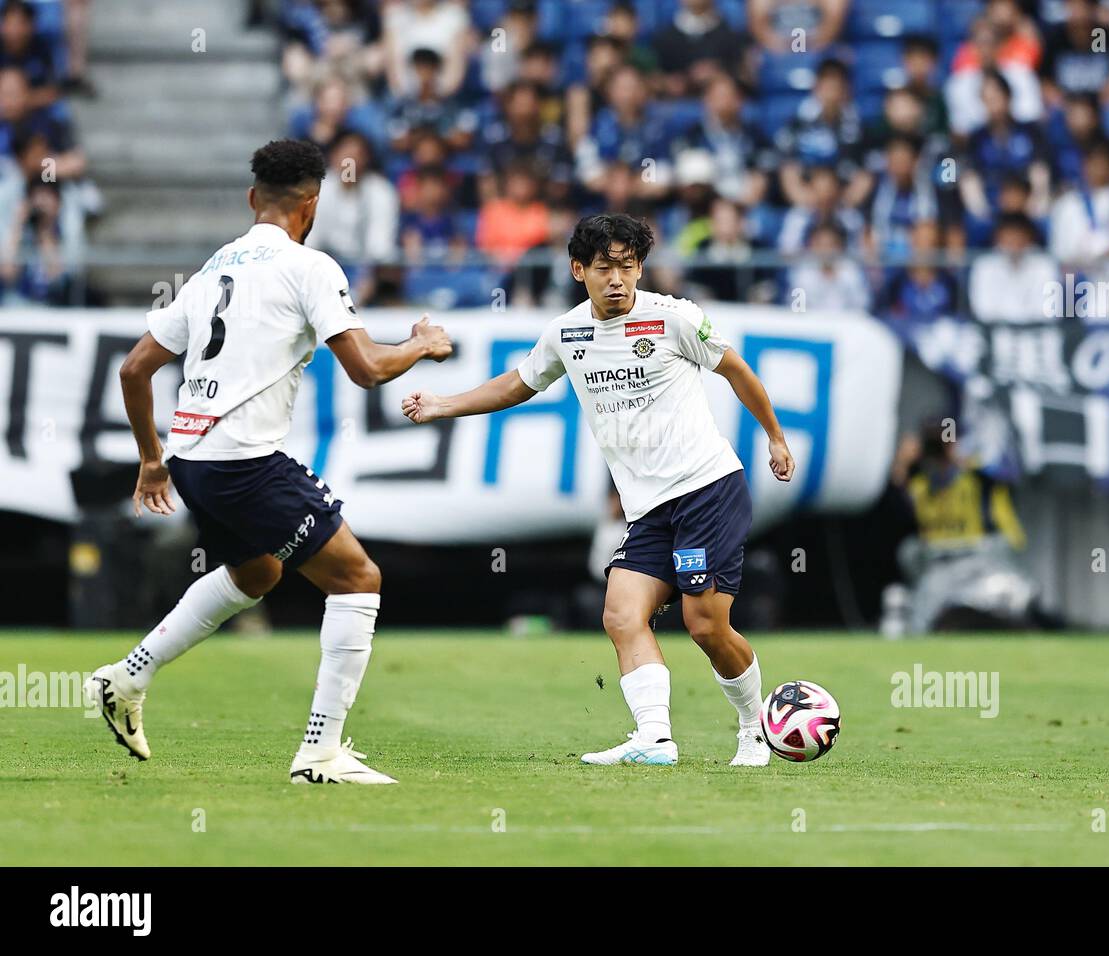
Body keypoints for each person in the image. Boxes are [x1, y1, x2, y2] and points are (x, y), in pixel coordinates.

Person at [84, 139, 453, 784]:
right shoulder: (311, 267)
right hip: (244, 460)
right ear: (311, 205)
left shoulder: (210, 271)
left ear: (253, 199)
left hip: (193, 458)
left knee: (256, 575)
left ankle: (124, 679)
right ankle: (320, 753)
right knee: (358, 580)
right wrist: (420, 344)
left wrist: (151, 459)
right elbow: (366, 369)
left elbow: (135, 368)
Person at [401, 213, 796, 767]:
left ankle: (755, 728)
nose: (618, 280)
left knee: (704, 625)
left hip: (707, 489)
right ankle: (655, 739)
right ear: (578, 269)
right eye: (605, 268)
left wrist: (775, 439)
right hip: (648, 508)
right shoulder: (567, 333)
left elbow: (737, 372)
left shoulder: (674, 318)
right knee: (620, 613)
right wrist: (444, 403)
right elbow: (516, 384)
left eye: (627, 268)